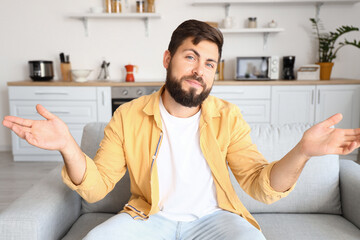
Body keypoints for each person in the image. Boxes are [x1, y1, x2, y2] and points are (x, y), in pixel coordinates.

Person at [3, 19, 360, 240]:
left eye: (209, 63)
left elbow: (260, 185)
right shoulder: (128, 116)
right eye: (190, 56)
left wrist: (303, 151)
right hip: (147, 218)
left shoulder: (227, 117)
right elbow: (96, 189)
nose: (199, 70)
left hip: (216, 219)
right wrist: (68, 145)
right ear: (167, 59)